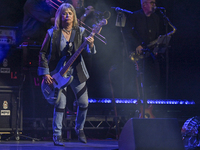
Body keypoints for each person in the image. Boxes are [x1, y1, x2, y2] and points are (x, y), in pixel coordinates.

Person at [37, 3, 95, 146]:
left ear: (74, 15)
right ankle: (57, 135)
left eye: (70, 13)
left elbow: (89, 52)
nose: (67, 15)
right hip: (58, 74)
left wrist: (91, 45)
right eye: (64, 13)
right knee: (60, 104)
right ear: (59, 16)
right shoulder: (52, 33)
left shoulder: (81, 32)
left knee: (84, 103)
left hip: (77, 73)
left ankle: (79, 128)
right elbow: (42, 53)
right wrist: (45, 74)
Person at [128, 0, 162, 100]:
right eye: (151, 2)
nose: (154, 5)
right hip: (138, 54)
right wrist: (137, 45)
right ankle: (139, 102)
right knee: (140, 79)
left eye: (154, 2)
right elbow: (128, 34)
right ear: (144, 4)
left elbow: (157, 35)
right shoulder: (134, 16)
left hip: (151, 53)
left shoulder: (156, 18)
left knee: (154, 78)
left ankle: (151, 101)